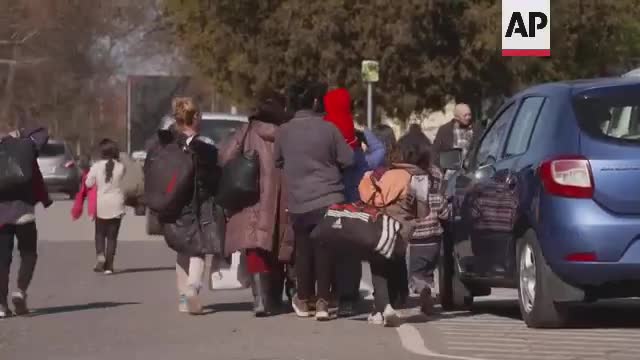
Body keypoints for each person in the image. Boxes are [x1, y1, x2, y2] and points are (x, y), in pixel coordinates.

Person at [275, 80, 354, 321]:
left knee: (303, 250)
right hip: (329, 197)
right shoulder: (329, 129)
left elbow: (277, 161)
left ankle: (304, 298)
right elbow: (348, 159)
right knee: (326, 249)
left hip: (299, 200)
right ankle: (323, 301)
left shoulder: (283, 131)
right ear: (316, 102)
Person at [219, 89, 294, 317]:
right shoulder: (288, 132)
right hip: (284, 196)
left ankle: (259, 299)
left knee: (255, 247)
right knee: (280, 249)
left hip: (253, 196)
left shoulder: (248, 130)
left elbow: (225, 156)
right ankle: (276, 298)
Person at [149, 97, 222, 315]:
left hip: (173, 204)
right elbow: (215, 175)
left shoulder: (167, 146)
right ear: (195, 118)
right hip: (198, 204)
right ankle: (193, 288)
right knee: (198, 250)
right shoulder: (205, 146)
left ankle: (182, 298)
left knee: (182, 249)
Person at [358, 141, 444, 326]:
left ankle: (383, 308)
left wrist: (366, 181)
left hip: (384, 226)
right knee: (396, 263)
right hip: (405, 229)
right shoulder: (421, 178)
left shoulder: (392, 174)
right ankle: (396, 302)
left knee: (379, 268)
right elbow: (423, 211)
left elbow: (377, 200)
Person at [323, 87, 385, 316]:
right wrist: (363, 132)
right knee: (349, 254)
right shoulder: (356, 149)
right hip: (352, 206)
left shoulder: (324, 134)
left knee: (327, 251)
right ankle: (348, 298)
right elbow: (379, 150)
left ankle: (324, 295)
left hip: (326, 200)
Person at [0, 125, 52, 318]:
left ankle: (1, 306)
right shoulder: (25, 147)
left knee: (2, 260)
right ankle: (20, 291)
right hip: (24, 212)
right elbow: (42, 131)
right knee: (29, 254)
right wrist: (19, 133)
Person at [85, 139, 126, 274]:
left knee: (99, 233)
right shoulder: (121, 167)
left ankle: (100, 255)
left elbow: (88, 184)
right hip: (117, 204)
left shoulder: (96, 166)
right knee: (112, 237)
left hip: (101, 203)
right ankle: (109, 267)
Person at [432, 103, 484, 171]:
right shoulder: (444, 130)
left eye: (469, 114)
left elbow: (484, 148)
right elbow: (434, 154)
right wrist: (452, 162)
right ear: (456, 117)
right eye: (465, 115)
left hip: (472, 172)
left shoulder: (477, 129)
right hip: (450, 173)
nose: (468, 117)